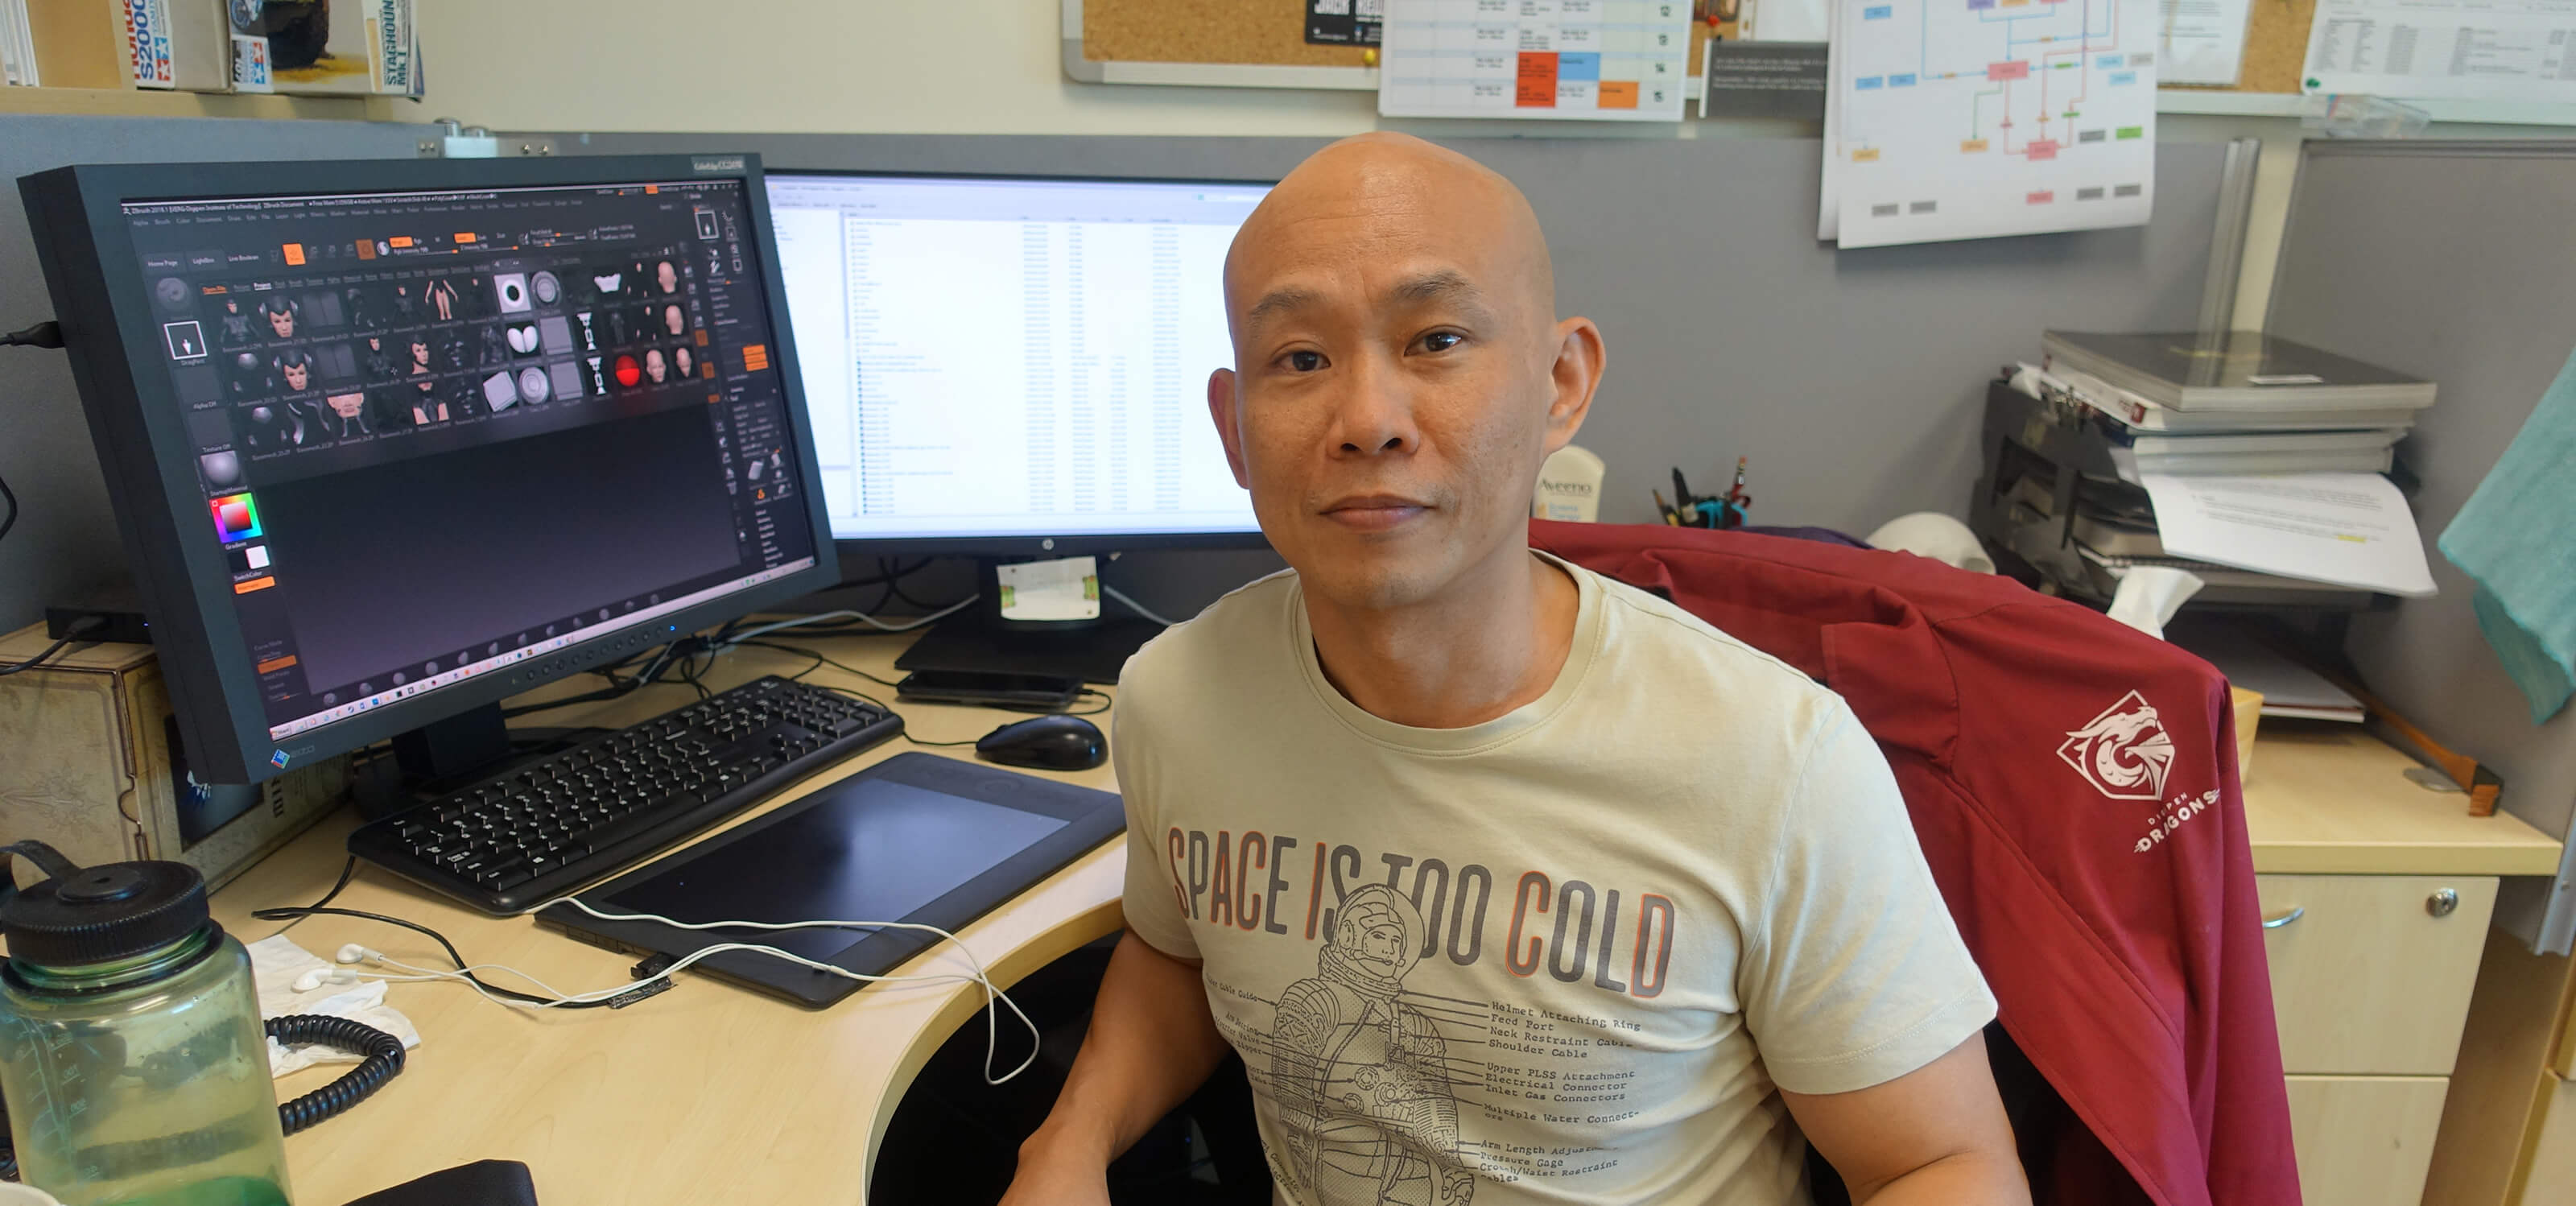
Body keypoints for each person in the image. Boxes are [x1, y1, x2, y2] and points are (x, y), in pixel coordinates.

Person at [999, 134, 2026, 1206]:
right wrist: (1067, 1142)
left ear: (1561, 384)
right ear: (1233, 429)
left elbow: (1940, 1164)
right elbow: (1179, 957)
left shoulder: (1773, 761)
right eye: (1300, 359)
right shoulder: (1177, 699)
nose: (1367, 422)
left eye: (1435, 339)